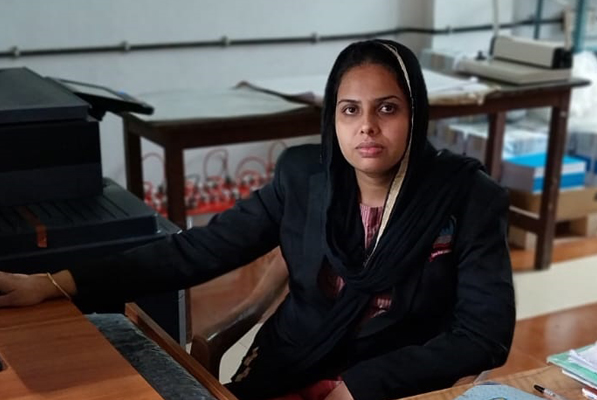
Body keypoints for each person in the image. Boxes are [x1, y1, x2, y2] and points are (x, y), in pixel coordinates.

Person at [0, 39, 515, 400]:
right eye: (350, 110)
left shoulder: (466, 198)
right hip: (290, 365)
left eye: (387, 109)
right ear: (332, 117)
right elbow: (198, 251)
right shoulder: (305, 180)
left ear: (415, 113)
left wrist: (362, 386)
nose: (366, 127)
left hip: (392, 382)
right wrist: (56, 282)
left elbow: (483, 334)